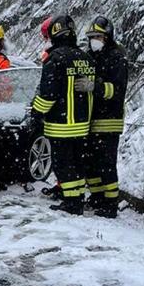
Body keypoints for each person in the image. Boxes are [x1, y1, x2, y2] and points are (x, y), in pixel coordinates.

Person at [30, 14, 95, 215]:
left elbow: (48, 95)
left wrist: (36, 112)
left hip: (61, 124)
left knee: (64, 164)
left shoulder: (55, 59)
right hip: (82, 124)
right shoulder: (85, 58)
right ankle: (76, 198)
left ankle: (71, 202)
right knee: (76, 162)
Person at [84, 16, 128, 218]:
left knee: (106, 164)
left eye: (97, 36)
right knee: (91, 163)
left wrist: (96, 87)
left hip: (109, 120)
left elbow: (117, 90)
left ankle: (110, 204)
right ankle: (97, 197)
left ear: (107, 36)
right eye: (91, 36)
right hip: (91, 120)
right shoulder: (91, 57)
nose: (94, 40)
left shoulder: (116, 57)